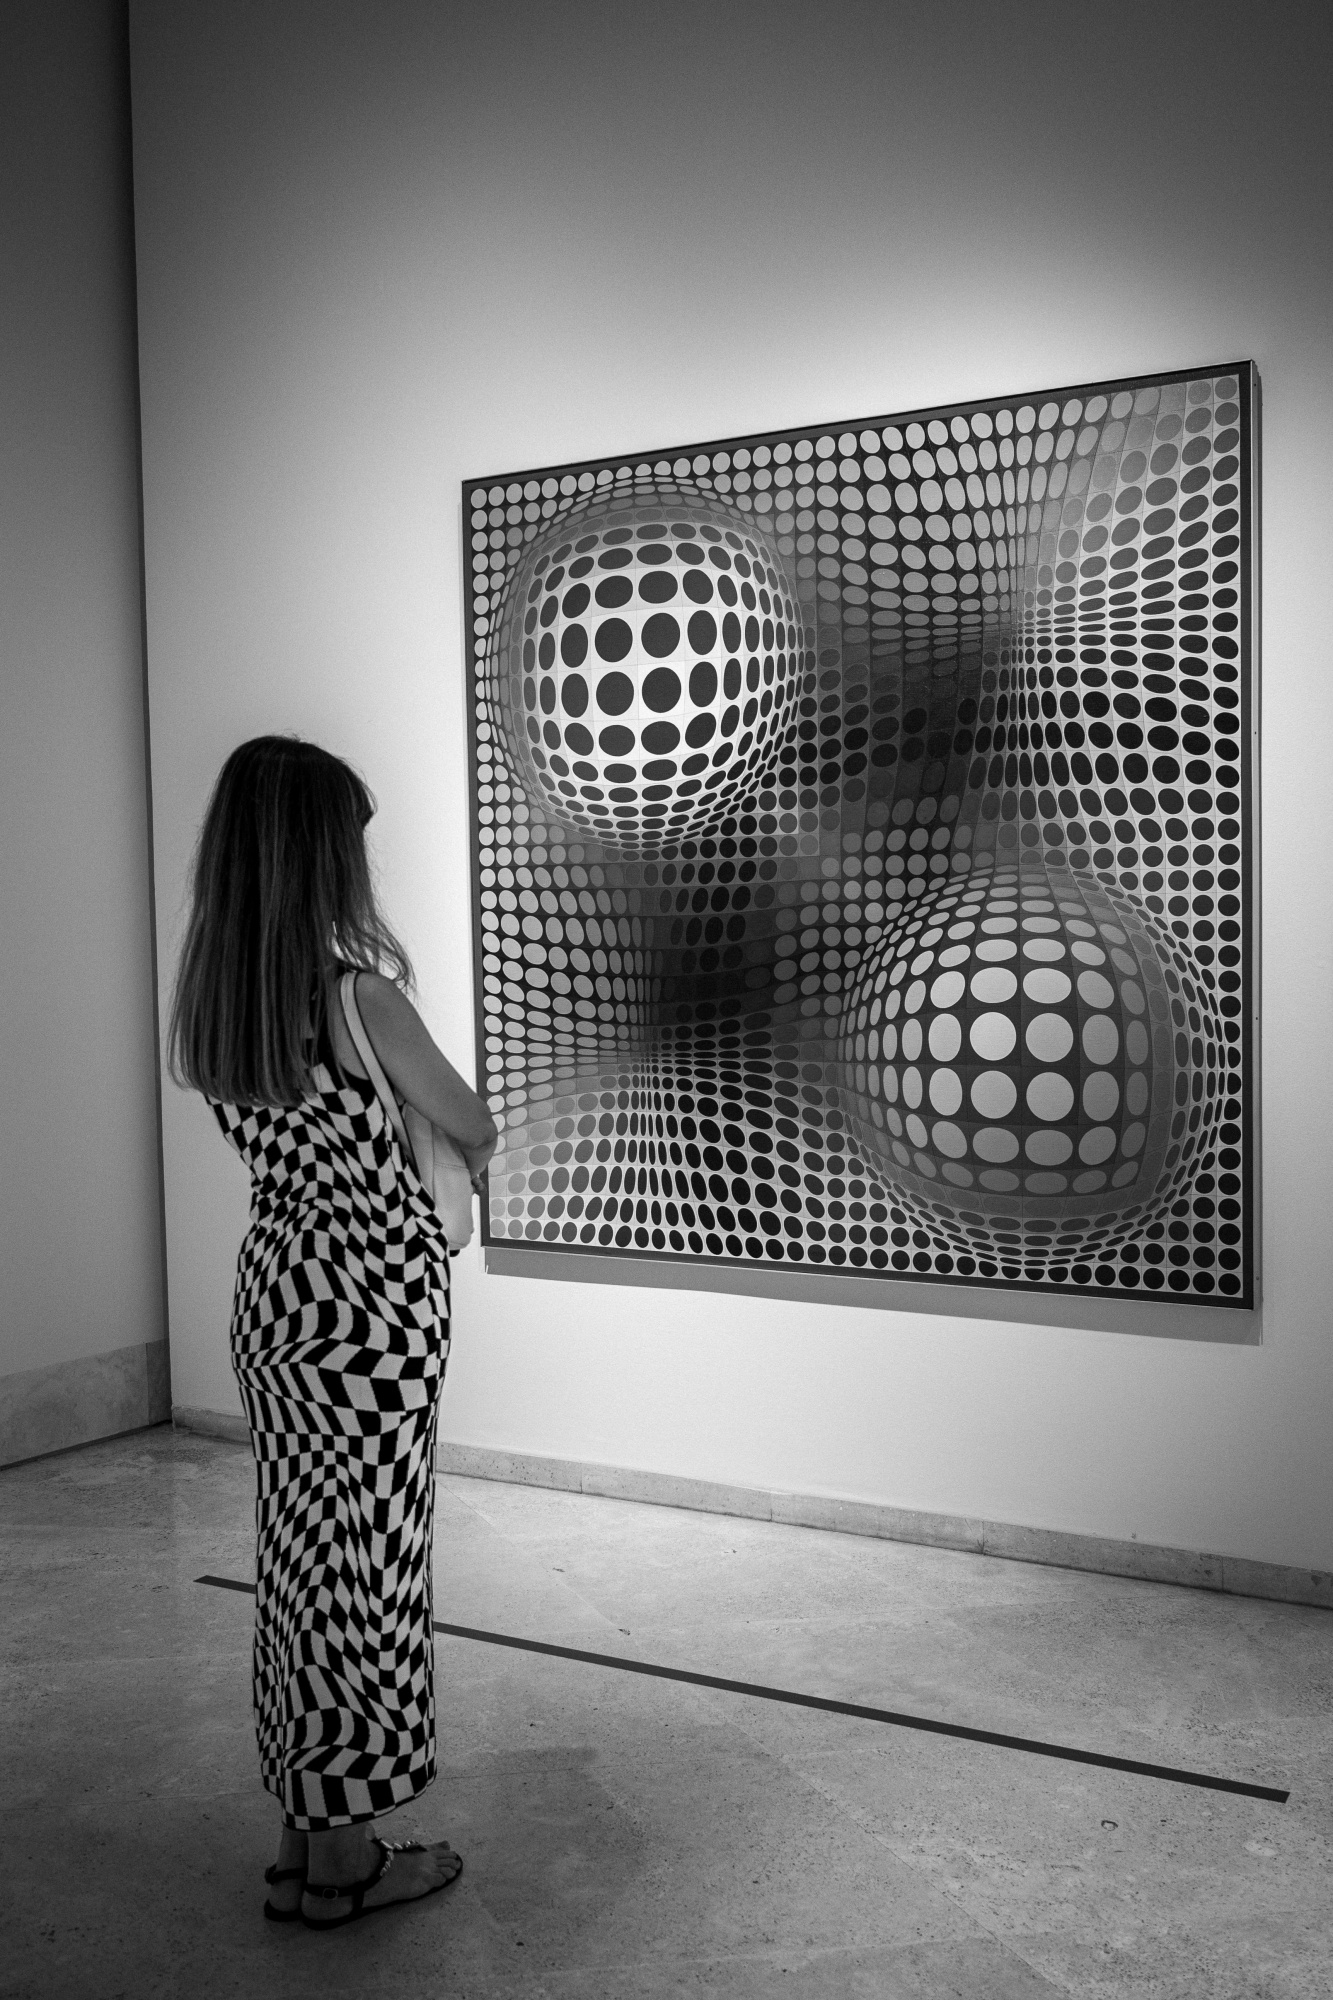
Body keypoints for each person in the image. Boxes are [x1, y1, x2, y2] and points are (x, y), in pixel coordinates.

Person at [169, 734, 498, 1931]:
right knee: (369, 1573)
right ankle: (348, 1860)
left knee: (303, 1567)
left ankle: (305, 1840)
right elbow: (473, 1120)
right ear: (319, 853)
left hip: (278, 1297)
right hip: (375, 1306)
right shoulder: (361, 997)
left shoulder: (221, 1002)